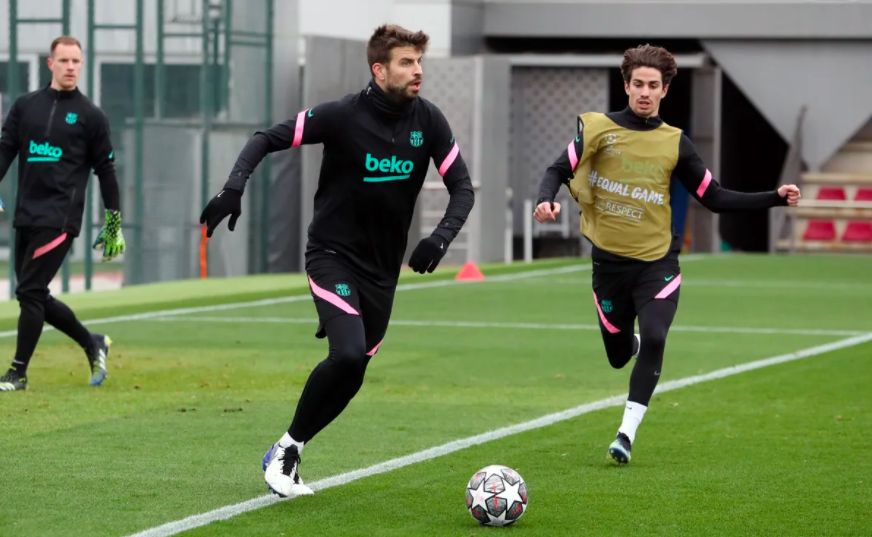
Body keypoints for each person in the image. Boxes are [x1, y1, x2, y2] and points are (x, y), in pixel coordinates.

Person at [200, 24, 474, 496]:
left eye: (419, 62)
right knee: (345, 353)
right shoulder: (342, 116)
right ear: (379, 69)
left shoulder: (429, 121)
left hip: (382, 273)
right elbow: (265, 138)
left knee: (354, 372)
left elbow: (462, 189)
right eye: (407, 63)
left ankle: (289, 448)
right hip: (331, 255)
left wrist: (440, 238)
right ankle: (284, 457)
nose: (418, 71)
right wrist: (233, 186)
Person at [533, 44, 800, 465]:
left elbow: (713, 197)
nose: (644, 91)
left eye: (652, 85)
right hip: (608, 267)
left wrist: (775, 197)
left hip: (657, 262)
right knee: (619, 355)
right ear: (626, 85)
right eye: (637, 84)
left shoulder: (675, 143)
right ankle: (628, 342)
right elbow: (557, 169)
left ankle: (625, 434)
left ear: (665, 91)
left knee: (656, 336)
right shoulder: (599, 129)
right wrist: (545, 200)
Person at [0, 36, 124, 393]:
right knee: (32, 294)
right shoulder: (25, 107)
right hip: (26, 215)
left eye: (76, 61)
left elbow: (107, 172)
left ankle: (18, 372)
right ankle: (92, 342)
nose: (71, 67)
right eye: (64, 60)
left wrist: (113, 220)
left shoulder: (91, 116)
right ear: (50, 63)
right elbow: (5, 150)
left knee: (31, 290)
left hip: (60, 218)